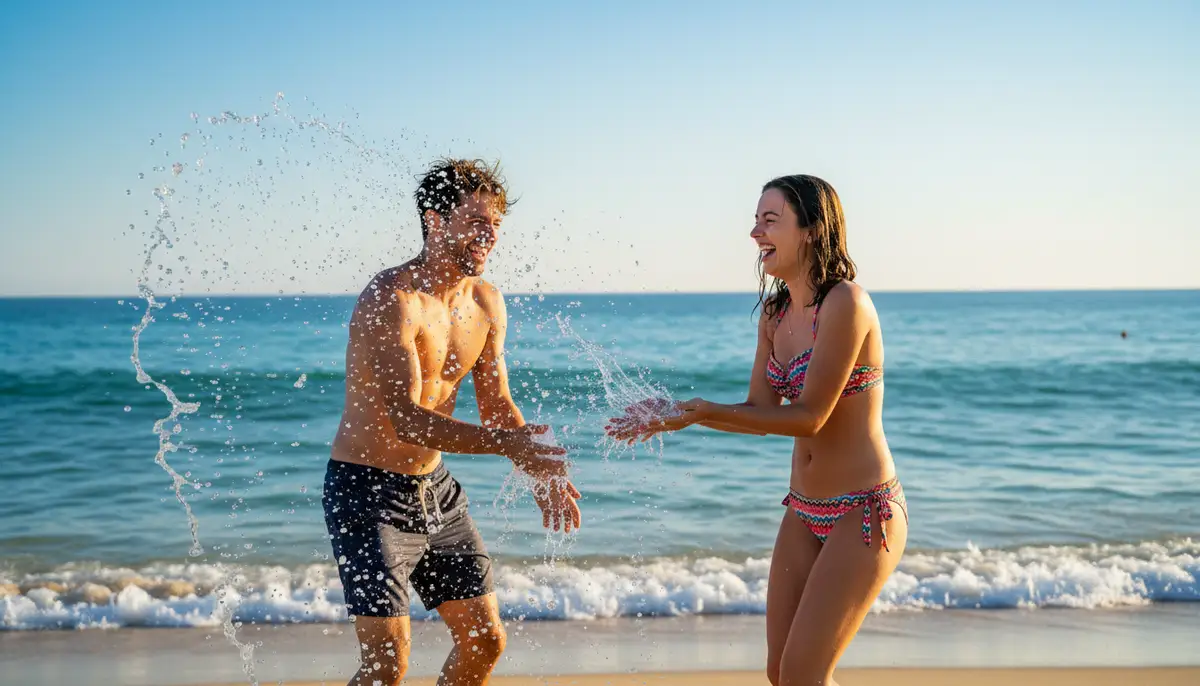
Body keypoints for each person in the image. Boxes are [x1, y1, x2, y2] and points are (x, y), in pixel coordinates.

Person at [606, 174, 907, 686]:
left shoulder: (846, 304)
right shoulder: (774, 314)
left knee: (803, 674)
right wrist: (680, 412)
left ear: (811, 230)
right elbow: (760, 410)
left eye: (770, 221)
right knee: (780, 673)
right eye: (755, 221)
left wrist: (701, 410)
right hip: (802, 508)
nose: (754, 233)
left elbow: (810, 415)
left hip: (864, 510)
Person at [322, 157, 583, 686]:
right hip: (367, 492)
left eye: (496, 226)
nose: (489, 236)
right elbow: (408, 421)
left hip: (435, 490)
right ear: (435, 220)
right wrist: (510, 446)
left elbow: (498, 404)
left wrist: (538, 465)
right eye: (477, 221)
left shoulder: (485, 302)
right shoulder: (392, 299)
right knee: (387, 666)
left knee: (484, 640)